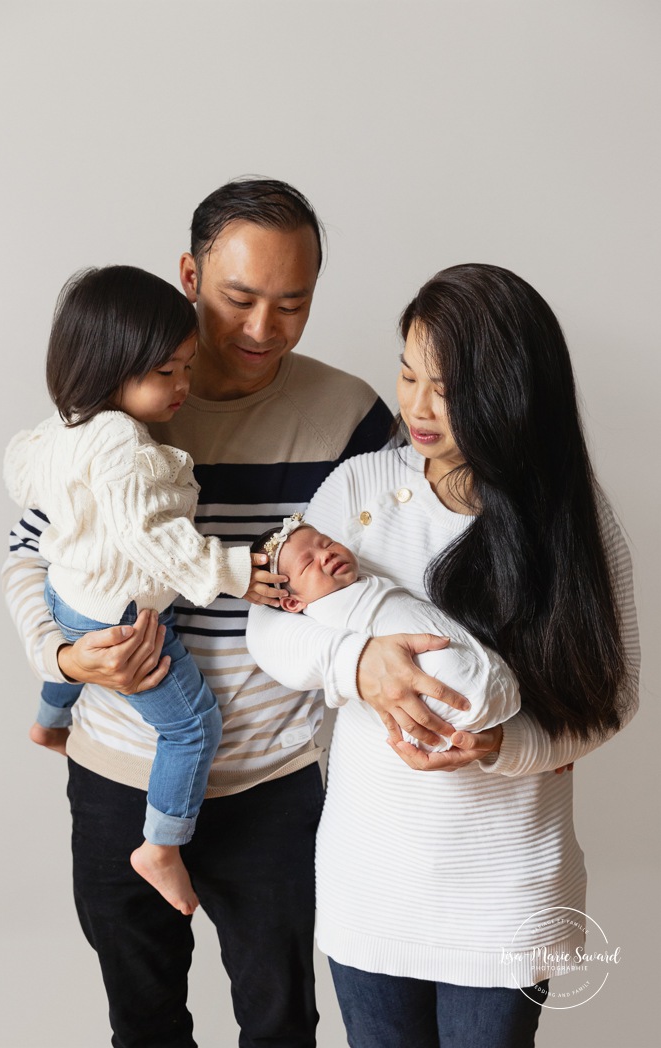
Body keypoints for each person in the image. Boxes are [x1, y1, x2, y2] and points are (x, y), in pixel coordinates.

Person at [2, 178, 405, 1047]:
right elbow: (28, 561)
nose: (264, 329)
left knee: (280, 1024)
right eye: (238, 298)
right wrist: (66, 664)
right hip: (119, 777)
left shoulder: (351, 417)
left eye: (292, 304)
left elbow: (411, 568)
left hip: (272, 784)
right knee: (142, 1023)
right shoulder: (104, 417)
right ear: (187, 275)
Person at [247, 263, 640, 1048]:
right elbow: (271, 630)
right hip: (370, 877)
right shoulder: (358, 487)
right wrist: (359, 665)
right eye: (406, 373)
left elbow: (608, 698)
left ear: (509, 388)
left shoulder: (566, 517)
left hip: (504, 887)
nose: (418, 407)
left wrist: (504, 746)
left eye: (447, 387)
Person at [4, 265, 277, 916]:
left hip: (70, 594)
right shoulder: (125, 447)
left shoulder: (62, 426)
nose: (183, 384)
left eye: (187, 366)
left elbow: (20, 471)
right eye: (166, 373)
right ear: (109, 367)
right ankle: (161, 845)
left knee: (72, 636)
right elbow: (153, 539)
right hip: (123, 613)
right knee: (190, 726)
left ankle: (49, 721)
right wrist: (235, 571)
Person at [250, 513, 520, 749]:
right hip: (446, 712)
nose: (326, 554)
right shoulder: (321, 615)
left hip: (500, 683)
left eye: (327, 543)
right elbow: (270, 632)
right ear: (293, 602)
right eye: (307, 564)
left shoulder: (363, 574)